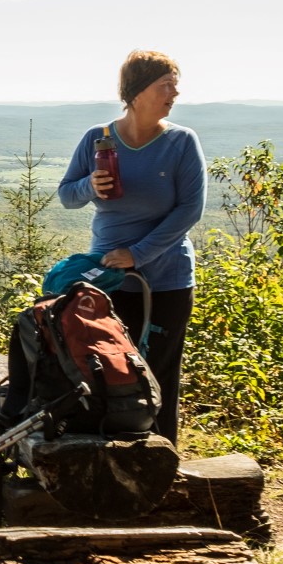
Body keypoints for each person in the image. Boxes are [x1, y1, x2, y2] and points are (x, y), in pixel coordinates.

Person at [57, 50, 206, 444]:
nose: (175, 92)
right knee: (109, 367)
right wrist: (90, 185)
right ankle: (113, 455)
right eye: (166, 84)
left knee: (160, 370)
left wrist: (138, 254)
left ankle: (162, 457)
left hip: (168, 279)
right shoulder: (98, 139)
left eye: (175, 83)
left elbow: (190, 209)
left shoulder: (181, 142)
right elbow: (66, 196)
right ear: (137, 92)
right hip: (109, 279)